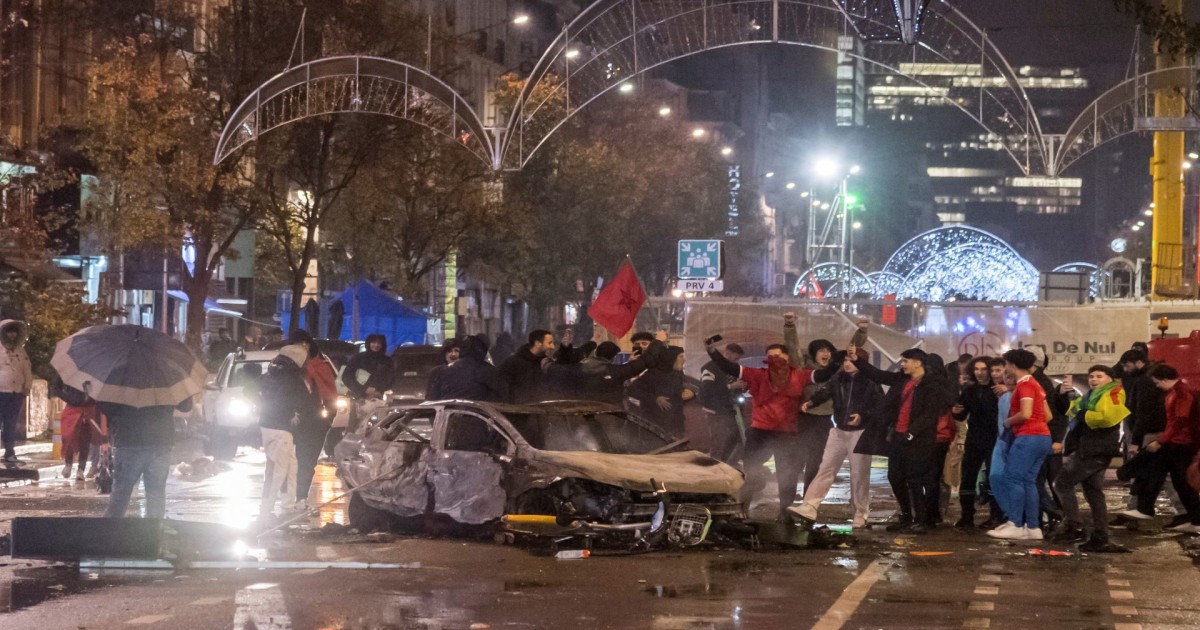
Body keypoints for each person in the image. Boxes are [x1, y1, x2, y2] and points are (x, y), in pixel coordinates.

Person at [705, 335, 810, 521]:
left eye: (777, 355)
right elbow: (730, 368)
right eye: (770, 356)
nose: (774, 359)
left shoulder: (798, 375)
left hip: (786, 433)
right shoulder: (758, 374)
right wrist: (713, 352)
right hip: (760, 432)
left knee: (787, 474)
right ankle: (741, 510)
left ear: (787, 357)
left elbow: (823, 375)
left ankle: (785, 513)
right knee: (750, 471)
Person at [852, 348, 956, 534]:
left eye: (906, 361)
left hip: (920, 440)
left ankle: (922, 520)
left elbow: (929, 415)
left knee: (916, 479)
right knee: (895, 476)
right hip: (898, 437)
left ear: (917, 362)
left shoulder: (932, 385)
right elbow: (878, 375)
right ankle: (907, 517)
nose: (902, 364)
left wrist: (912, 433)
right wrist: (858, 361)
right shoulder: (902, 379)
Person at [792, 346, 884, 528]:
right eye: (845, 361)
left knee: (859, 474)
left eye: (850, 360)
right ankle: (809, 506)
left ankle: (860, 512)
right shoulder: (838, 378)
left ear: (861, 362)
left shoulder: (871, 381)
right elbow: (825, 392)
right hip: (839, 430)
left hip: (860, 433)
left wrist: (862, 416)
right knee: (825, 469)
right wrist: (811, 402)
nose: (846, 364)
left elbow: (880, 405)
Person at [785, 314, 869, 497]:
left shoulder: (836, 370)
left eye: (828, 350)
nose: (825, 353)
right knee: (795, 462)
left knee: (815, 463)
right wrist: (790, 326)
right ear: (813, 353)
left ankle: (808, 502)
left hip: (824, 421)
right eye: (821, 350)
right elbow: (792, 348)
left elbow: (852, 350)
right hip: (803, 419)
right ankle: (787, 505)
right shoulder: (804, 368)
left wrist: (861, 331)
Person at [1051, 365, 1129, 551]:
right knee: (1093, 491)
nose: (1093, 379)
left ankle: (1074, 525)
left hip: (1095, 448)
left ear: (1109, 378)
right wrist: (1062, 394)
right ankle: (1100, 536)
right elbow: (1072, 410)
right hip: (1093, 447)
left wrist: (1084, 415)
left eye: (1099, 376)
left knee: (1062, 483)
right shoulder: (1091, 396)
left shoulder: (1113, 393)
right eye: (1091, 376)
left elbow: (1108, 417)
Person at [1119, 364, 1200, 532]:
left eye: (1157, 382)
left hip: (1181, 444)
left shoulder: (1181, 394)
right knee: (1169, 478)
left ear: (1164, 379)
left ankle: (1145, 507)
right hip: (1177, 442)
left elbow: (1179, 421)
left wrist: (1161, 440)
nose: (1156, 385)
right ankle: (1147, 508)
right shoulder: (1177, 392)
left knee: (1172, 479)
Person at [988, 349, 1054, 541]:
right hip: (1042, 437)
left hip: (1028, 438)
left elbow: (1025, 414)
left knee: (1013, 478)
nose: (1005, 369)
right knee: (1028, 481)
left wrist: (1009, 422)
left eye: (1006, 364)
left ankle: (1016, 523)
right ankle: (1033, 527)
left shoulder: (1024, 385)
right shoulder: (1036, 384)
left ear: (1012, 365)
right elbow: (1048, 416)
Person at [100, 393, 193, 519]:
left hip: (130, 440)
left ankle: (109, 533)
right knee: (156, 493)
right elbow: (186, 406)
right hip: (160, 442)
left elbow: (107, 408)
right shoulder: (167, 377)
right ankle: (152, 534)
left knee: (121, 493)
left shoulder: (124, 376)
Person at [257, 345, 313, 521]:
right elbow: (300, 399)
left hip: (267, 424)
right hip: (281, 427)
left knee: (289, 465)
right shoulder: (292, 378)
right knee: (278, 470)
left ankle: (287, 505)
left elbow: (254, 391)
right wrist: (293, 414)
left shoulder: (269, 374)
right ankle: (266, 508)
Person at [288, 331, 338, 508]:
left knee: (307, 460)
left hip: (315, 422)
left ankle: (301, 496)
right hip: (291, 420)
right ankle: (288, 496)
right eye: (297, 344)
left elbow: (331, 393)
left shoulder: (321, 365)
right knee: (288, 460)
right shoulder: (286, 368)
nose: (302, 348)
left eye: (304, 344)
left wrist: (327, 420)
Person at [953, 357, 1003, 529]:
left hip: (994, 439)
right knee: (968, 478)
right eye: (976, 369)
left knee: (993, 478)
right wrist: (955, 411)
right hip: (974, 438)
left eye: (983, 369)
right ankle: (966, 515)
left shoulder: (997, 390)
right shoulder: (969, 391)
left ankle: (995, 516)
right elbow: (961, 414)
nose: (980, 373)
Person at [700, 343, 746, 464]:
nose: (737, 361)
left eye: (738, 359)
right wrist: (730, 386)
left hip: (733, 411)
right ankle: (715, 470)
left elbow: (738, 388)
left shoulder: (735, 368)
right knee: (719, 443)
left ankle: (727, 465)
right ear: (727, 353)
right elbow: (706, 391)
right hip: (716, 412)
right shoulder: (710, 368)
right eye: (735, 358)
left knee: (741, 440)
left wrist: (741, 387)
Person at [342, 334, 394, 428]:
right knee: (355, 427)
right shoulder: (358, 358)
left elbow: (391, 379)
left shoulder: (387, 361)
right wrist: (363, 389)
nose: (376, 345)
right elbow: (347, 377)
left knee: (380, 427)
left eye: (379, 343)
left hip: (379, 400)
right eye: (373, 342)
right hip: (358, 399)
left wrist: (378, 390)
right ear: (368, 343)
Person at [436, 335, 508, 402]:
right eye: (449, 351)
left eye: (456, 350)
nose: (453, 354)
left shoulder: (443, 371)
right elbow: (503, 396)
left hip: (447, 413)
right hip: (478, 413)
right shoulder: (487, 370)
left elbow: (432, 400)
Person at [0, 319, 32, 464]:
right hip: (1, 392)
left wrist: (27, 387)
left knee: (10, 424)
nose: (11, 335)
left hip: (16, 393)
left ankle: (9, 453)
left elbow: (27, 369)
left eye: (14, 332)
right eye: (9, 331)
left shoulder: (20, 350)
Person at [53, 378, 96, 480]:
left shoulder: (94, 380)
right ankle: (68, 464)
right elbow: (58, 387)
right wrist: (59, 392)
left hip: (87, 413)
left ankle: (81, 469)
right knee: (68, 438)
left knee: (85, 441)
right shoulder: (70, 376)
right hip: (71, 412)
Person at [499, 330, 557, 403]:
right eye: (549, 343)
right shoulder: (512, 363)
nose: (552, 347)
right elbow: (501, 387)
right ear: (537, 343)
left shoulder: (547, 364)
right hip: (517, 411)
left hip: (543, 411)